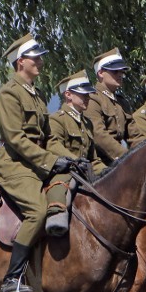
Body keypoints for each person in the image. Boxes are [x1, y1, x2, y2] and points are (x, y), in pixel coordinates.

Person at [0, 33, 72, 292]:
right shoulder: (8, 94)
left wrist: (71, 158)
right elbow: (16, 139)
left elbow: (50, 138)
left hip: (37, 163)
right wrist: (50, 161)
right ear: (20, 62)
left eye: (39, 57)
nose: (40, 61)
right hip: (15, 166)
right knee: (38, 211)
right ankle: (12, 279)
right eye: (35, 57)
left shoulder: (37, 96)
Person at [45, 70, 107, 236]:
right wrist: (76, 160)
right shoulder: (57, 119)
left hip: (85, 173)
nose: (87, 98)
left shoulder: (87, 123)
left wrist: (110, 171)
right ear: (68, 95)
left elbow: (93, 158)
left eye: (88, 95)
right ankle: (56, 221)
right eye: (82, 95)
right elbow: (53, 144)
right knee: (61, 190)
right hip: (65, 171)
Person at [84, 48, 133, 166]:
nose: (120, 75)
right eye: (115, 71)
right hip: (99, 162)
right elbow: (98, 134)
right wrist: (126, 157)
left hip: (120, 159)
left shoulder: (122, 102)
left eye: (122, 71)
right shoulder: (92, 98)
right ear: (100, 73)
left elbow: (134, 134)